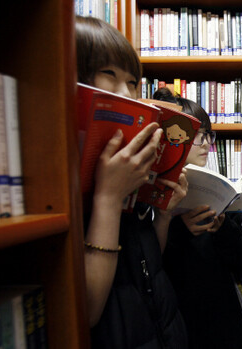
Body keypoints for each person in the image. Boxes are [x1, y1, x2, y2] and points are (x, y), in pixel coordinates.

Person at [76, 16, 189, 348]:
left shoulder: (130, 159)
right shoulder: (60, 175)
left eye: (134, 82)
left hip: (160, 328)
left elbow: (149, 260)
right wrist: (109, 197)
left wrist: (165, 213)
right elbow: (88, 312)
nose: (128, 93)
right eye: (109, 74)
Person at [154, 87, 242, 349]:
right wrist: (180, 229)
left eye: (207, 134)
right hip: (180, 318)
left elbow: (239, 258)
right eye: (196, 135)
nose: (206, 143)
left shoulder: (218, 189)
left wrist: (221, 228)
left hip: (222, 319)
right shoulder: (150, 191)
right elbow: (153, 264)